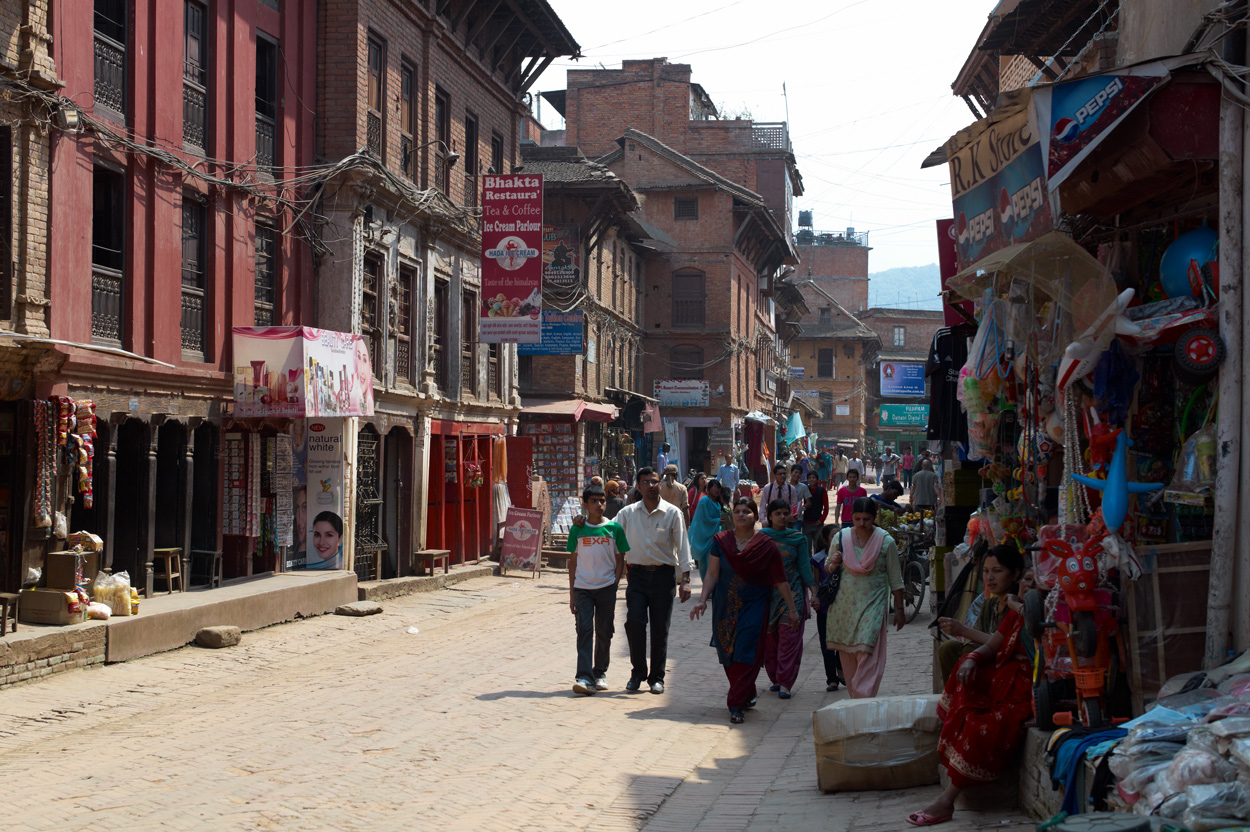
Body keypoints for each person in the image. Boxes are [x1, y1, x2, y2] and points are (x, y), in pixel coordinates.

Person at [907, 594, 1035, 827]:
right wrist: (972, 659)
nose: (1028, 587)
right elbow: (992, 645)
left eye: (1032, 581)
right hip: (1001, 676)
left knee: (979, 727)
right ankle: (950, 753)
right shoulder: (1012, 612)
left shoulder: (1048, 615)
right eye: (1027, 581)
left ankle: (946, 801)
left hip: (1027, 690)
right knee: (964, 665)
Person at [689, 497, 799, 724]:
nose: (740, 515)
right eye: (737, 511)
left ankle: (735, 704)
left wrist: (792, 609)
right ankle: (747, 693)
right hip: (725, 605)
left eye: (746, 512)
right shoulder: (721, 541)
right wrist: (701, 600)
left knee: (746, 653)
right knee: (728, 653)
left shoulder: (766, 545)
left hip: (755, 605)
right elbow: (711, 574)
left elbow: (780, 580)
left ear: (755, 516)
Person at [612, 467, 693, 694]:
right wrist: (584, 522)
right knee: (635, 623)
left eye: (654, 481)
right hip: (636, 576)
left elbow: (683, 547)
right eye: (645, 482)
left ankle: (657, 678)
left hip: (663, 577)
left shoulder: (672, 513)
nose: (650, 485)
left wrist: (685, 579)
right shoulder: (627, 514)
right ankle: (637, 673)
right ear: (637, 486)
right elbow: (609, 530)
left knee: (660, 629)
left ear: (660, 484)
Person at [824, 498, 905, 699]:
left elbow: (896, 578)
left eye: (867, 519)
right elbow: (828, 567)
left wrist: (900, 609)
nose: (862, 524)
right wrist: (833, 563)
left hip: (874, 605)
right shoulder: (841, 538)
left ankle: (863, 698)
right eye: (858, 519)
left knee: (868, 653)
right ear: (851, 518)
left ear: (874, 518)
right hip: (844, 607)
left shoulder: (886, 541)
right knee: (849, 655)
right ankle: (856, 699)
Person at [566, 484, 629, 696]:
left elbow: (621, 558)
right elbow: (573, 562)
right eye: (594, 501)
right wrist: (572, 592)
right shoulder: (577, 529)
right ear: (585, 505)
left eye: (602, 500)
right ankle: (584, 677)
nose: (599, 505)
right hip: (583, 588)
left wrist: (614, 584)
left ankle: (600, 672)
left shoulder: (614, 529)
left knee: (604, 631)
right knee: (584, 631)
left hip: (606, 588)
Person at [937, 547, 1028, 683]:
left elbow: (1003, 645)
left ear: (1015, 574)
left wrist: (962, 630)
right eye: (985, 571)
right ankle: (955, 696)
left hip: (1007, 662)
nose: (990, 577)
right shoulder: (989, 605)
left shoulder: (1017, 607)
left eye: (997, 571)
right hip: (986, 655)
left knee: (969, 650)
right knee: (947, 648)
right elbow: (979, 639)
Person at [759, 500, 814, 699]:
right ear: (770, 517)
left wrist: (814, 591)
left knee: (789, 639)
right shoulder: (762, 538)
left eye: (785, 513)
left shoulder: (798, 539)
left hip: (794, 594)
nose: (782, 517)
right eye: (777, 514)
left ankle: (786, 682)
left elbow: (804, 566)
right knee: (770, 642)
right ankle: (775, 678)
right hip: (769, 596)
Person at [810, 524, 846, 692]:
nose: (839, 539)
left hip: (843, 607)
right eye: (834, 536)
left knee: (841, 641)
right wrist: (815, 597)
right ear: (826, 541)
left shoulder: (848, 557)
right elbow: (815, 583)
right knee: (826, 645)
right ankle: (831, 678)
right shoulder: (818, 559)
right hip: (825, 608)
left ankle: (841, 670)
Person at [688, 478, 725, 579]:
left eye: (718, 487)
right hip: (704, 535)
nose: (716, 489)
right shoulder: (704, 500)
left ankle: (713, 585)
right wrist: (717, 521)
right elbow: (703, 518)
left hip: (715, 535)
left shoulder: (718, 503)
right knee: (704, 562)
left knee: (713, 561)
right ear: (708, 489)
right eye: (713, 487)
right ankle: (707, 584)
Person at [801, 471, 829, 553]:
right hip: (806, 522)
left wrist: (822, 520)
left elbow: (826, 507)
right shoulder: (805, 489)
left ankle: (816, 564)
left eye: (813, 478)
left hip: (818, 523)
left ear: (817, 479)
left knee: (818, 546)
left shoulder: (822, 490)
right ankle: (809, 565)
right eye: (809, 478)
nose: (811, 479)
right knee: (807, 547)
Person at [788, 464, 811, 530]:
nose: (797, 475)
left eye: (799, 473)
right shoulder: (785, 486)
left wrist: (800, 509)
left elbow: (809, 503)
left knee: (795, 538)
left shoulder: (803, 487)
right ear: (791, 472)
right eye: (795, 472)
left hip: (797, 519)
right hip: (785, 518)